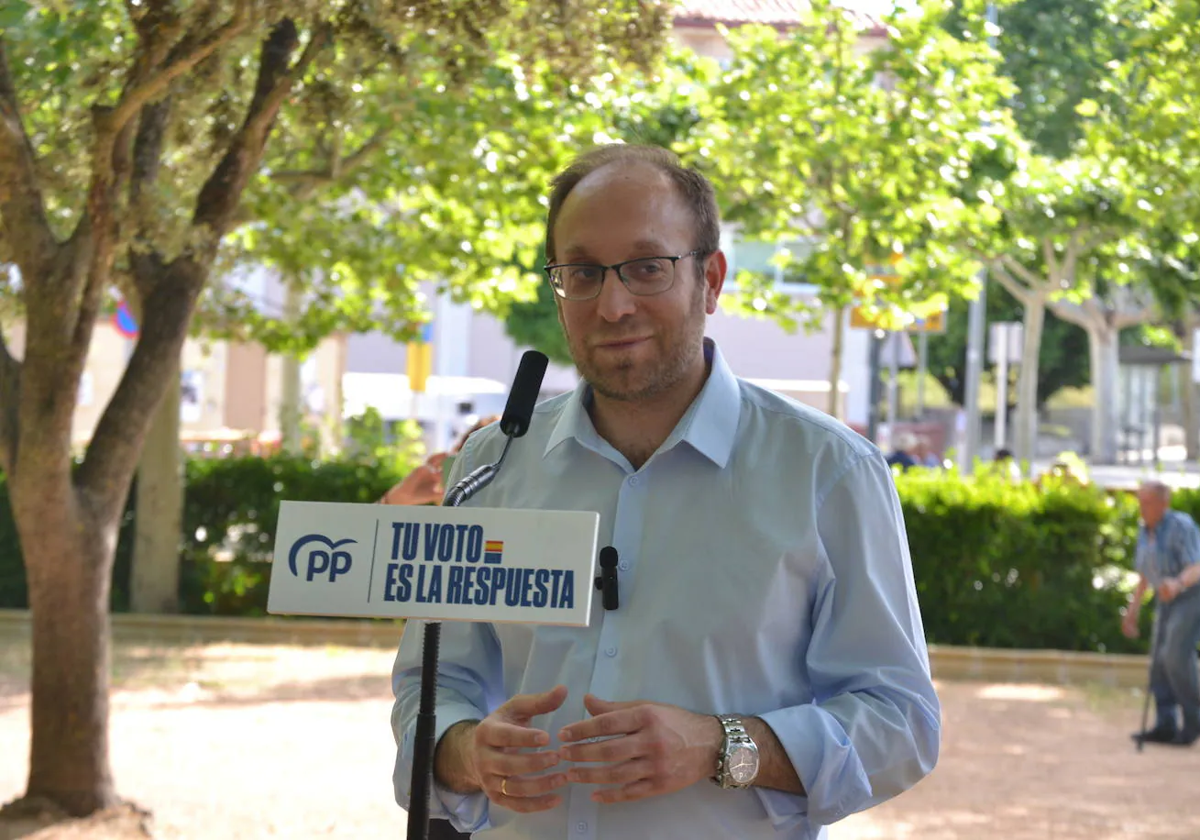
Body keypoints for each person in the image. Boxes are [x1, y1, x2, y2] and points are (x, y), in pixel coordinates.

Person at [390, 144, 940, 838]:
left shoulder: (829, 472)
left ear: (710, 280)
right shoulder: (490, 464)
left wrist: (724, 747)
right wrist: (465, 752)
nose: (613, 305)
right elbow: (428, 685)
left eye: (647, 268)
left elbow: (902, 722)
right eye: (583, 273)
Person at [1123, 480, 1200, 747]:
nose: (1141, 508)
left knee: (1175, 655)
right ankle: (1165, 725)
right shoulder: (1145, 531)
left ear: (1163, 504)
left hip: (1190, 595)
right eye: (1140, 502)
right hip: (1164, 598)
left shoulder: (1182, 525)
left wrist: (1177, 584)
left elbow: (1197, 566)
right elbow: (1145, 575)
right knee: (1158, 660)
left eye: (1147, 502)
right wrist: (1132, 612)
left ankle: (1194, 720)